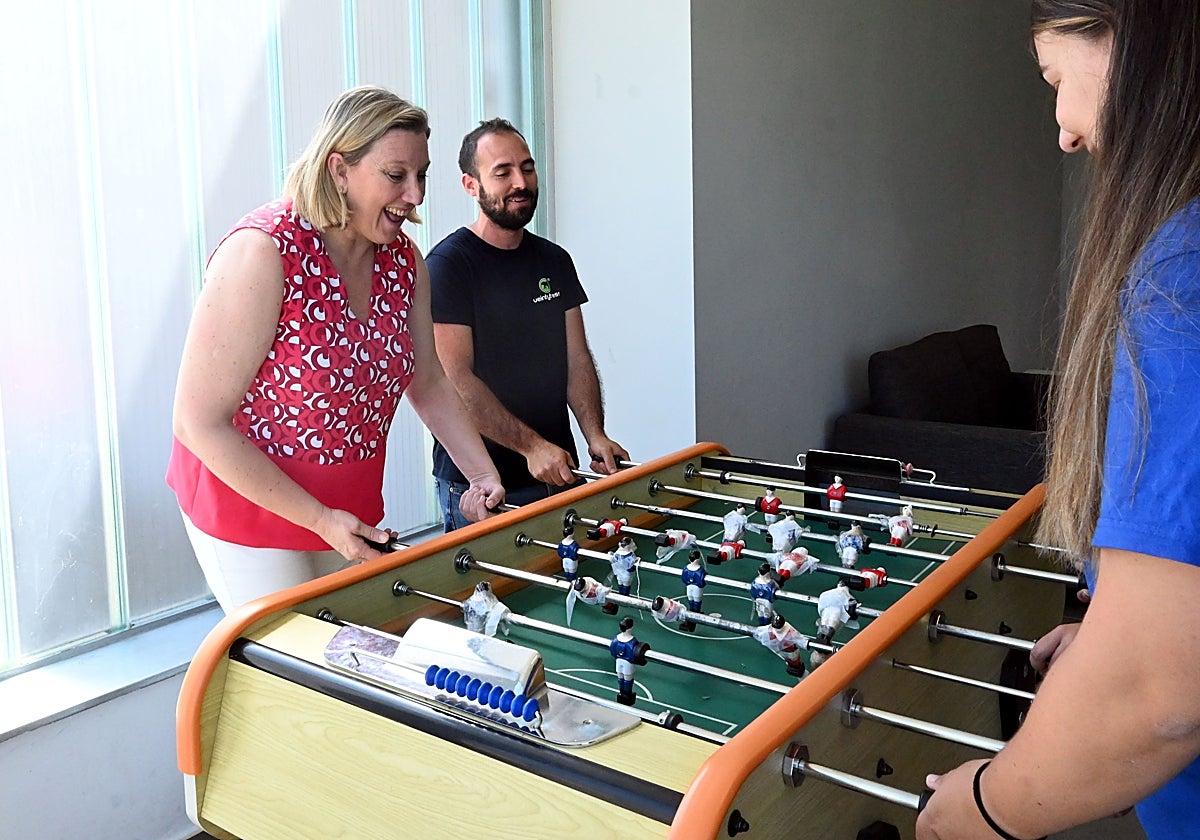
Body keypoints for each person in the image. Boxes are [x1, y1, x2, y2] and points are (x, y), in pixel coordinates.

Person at [917, 3, 1200, 838]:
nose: (1065, 131)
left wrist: (981, 808)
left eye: (1055, 78)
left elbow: (1159, 698)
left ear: (1129, 39)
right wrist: (1117, 626)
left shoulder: (1180, 275)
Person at [169, 87, 504, 612]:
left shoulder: (403, 261)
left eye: (422, 175)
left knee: (347, 655)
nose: (415, 194)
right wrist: (320, 520)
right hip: (247, 501)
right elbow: (196, 421)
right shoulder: (263, 253)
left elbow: (428, 379)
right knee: (291, 668)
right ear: (340, 170)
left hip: (347, 505)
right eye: (396, 176)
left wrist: (482, 474)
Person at [427, 118, 628, 531]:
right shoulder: (448, 267)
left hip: (557, 473)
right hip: (483, 488)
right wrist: (532, 447)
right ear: (471, 185)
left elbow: (575, 357)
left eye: (527, 168)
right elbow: (454, 381)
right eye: (502, 172)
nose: (520, 182)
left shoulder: (554, 260)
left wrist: (595, 434)